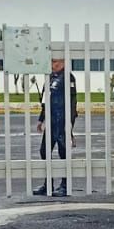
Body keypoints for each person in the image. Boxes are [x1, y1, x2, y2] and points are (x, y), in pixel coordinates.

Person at [34, 57, 74, 198]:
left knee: (63, 153)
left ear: (63, 62)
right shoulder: (50, 77)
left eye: (56, 62)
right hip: (51, 120)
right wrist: (41, 119)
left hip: (62, 120)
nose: (53, 64)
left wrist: (70, 125)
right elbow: (46, 100)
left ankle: (65, 185)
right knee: (44, 151)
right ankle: (48, 183)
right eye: (51, 61)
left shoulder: (68, 78)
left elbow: (72, 102)